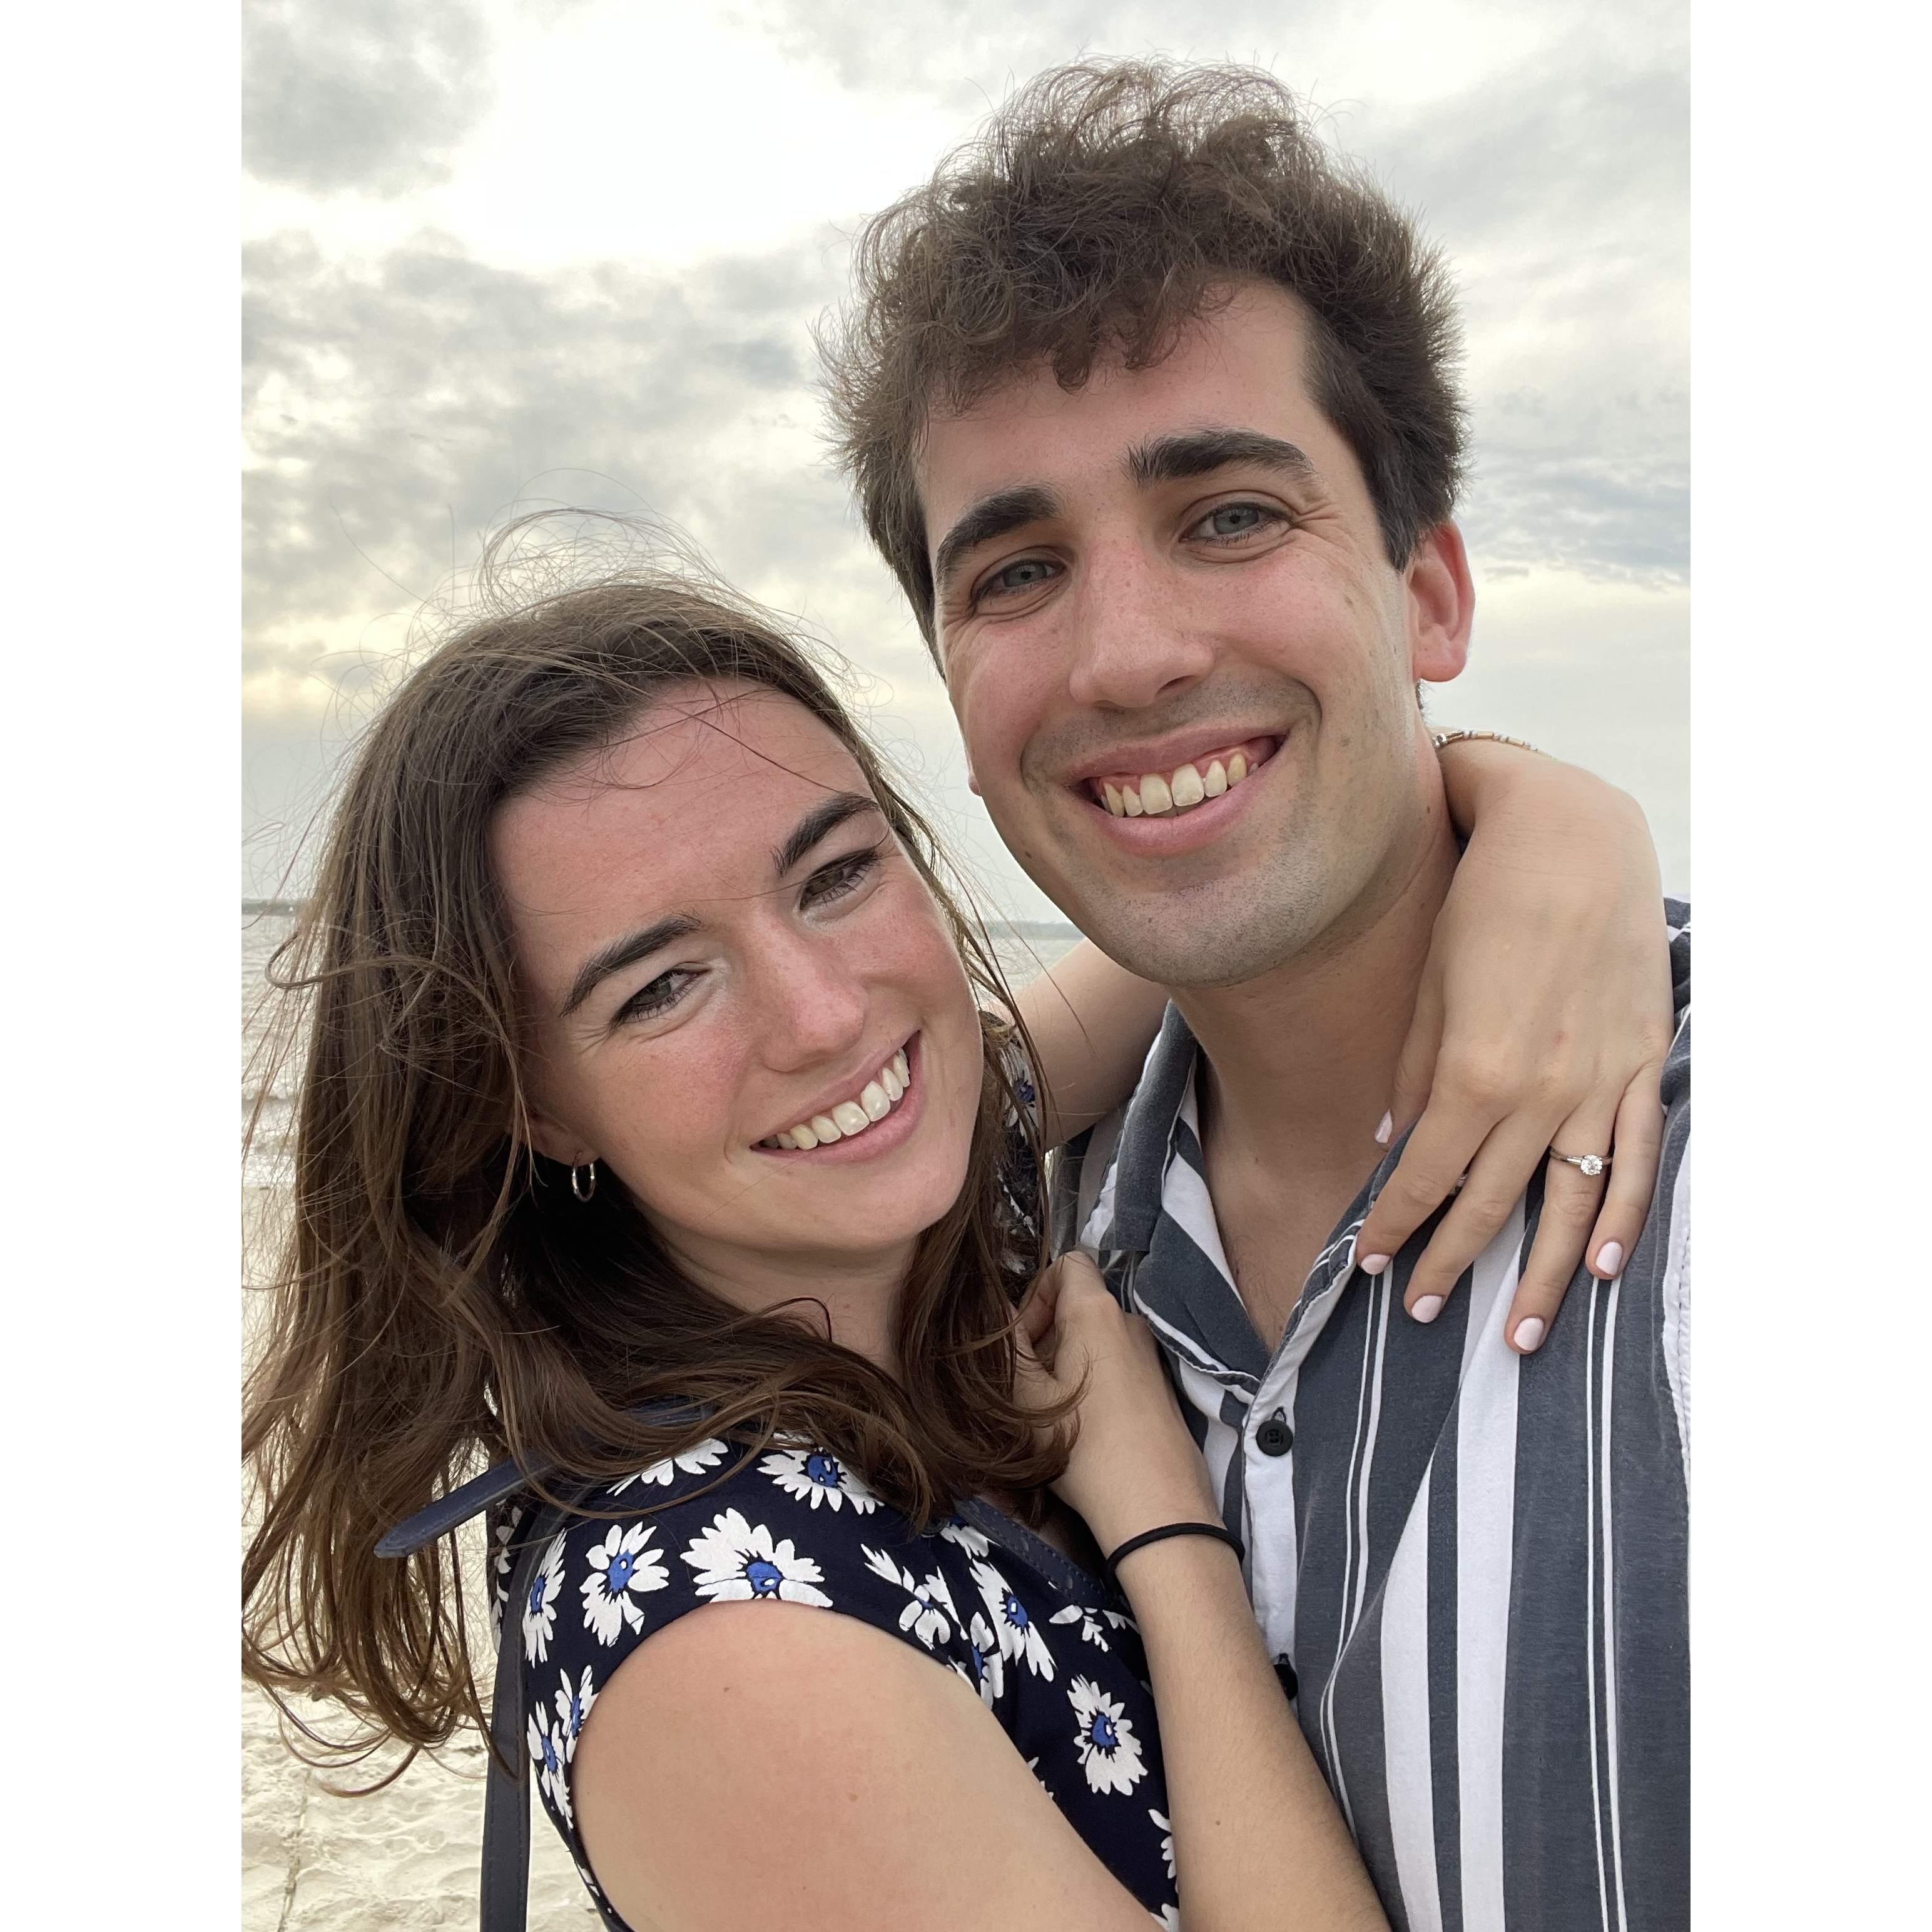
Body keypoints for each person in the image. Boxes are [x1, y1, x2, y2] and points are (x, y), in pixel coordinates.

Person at [242, 546, 1672, 1931]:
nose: (822, 1017)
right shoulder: (727, 1632)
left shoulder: (906, 1210)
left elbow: (1235, 892)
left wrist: (1548, 821)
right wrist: (1164, 1529)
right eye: (664, 985)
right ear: (533, 1104)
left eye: (836, 874)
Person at [820, 58, 1690, 1930]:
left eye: (1226, 514)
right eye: (1020, 569)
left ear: (1429, 594)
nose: (1130, 654)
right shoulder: (982, 1255)